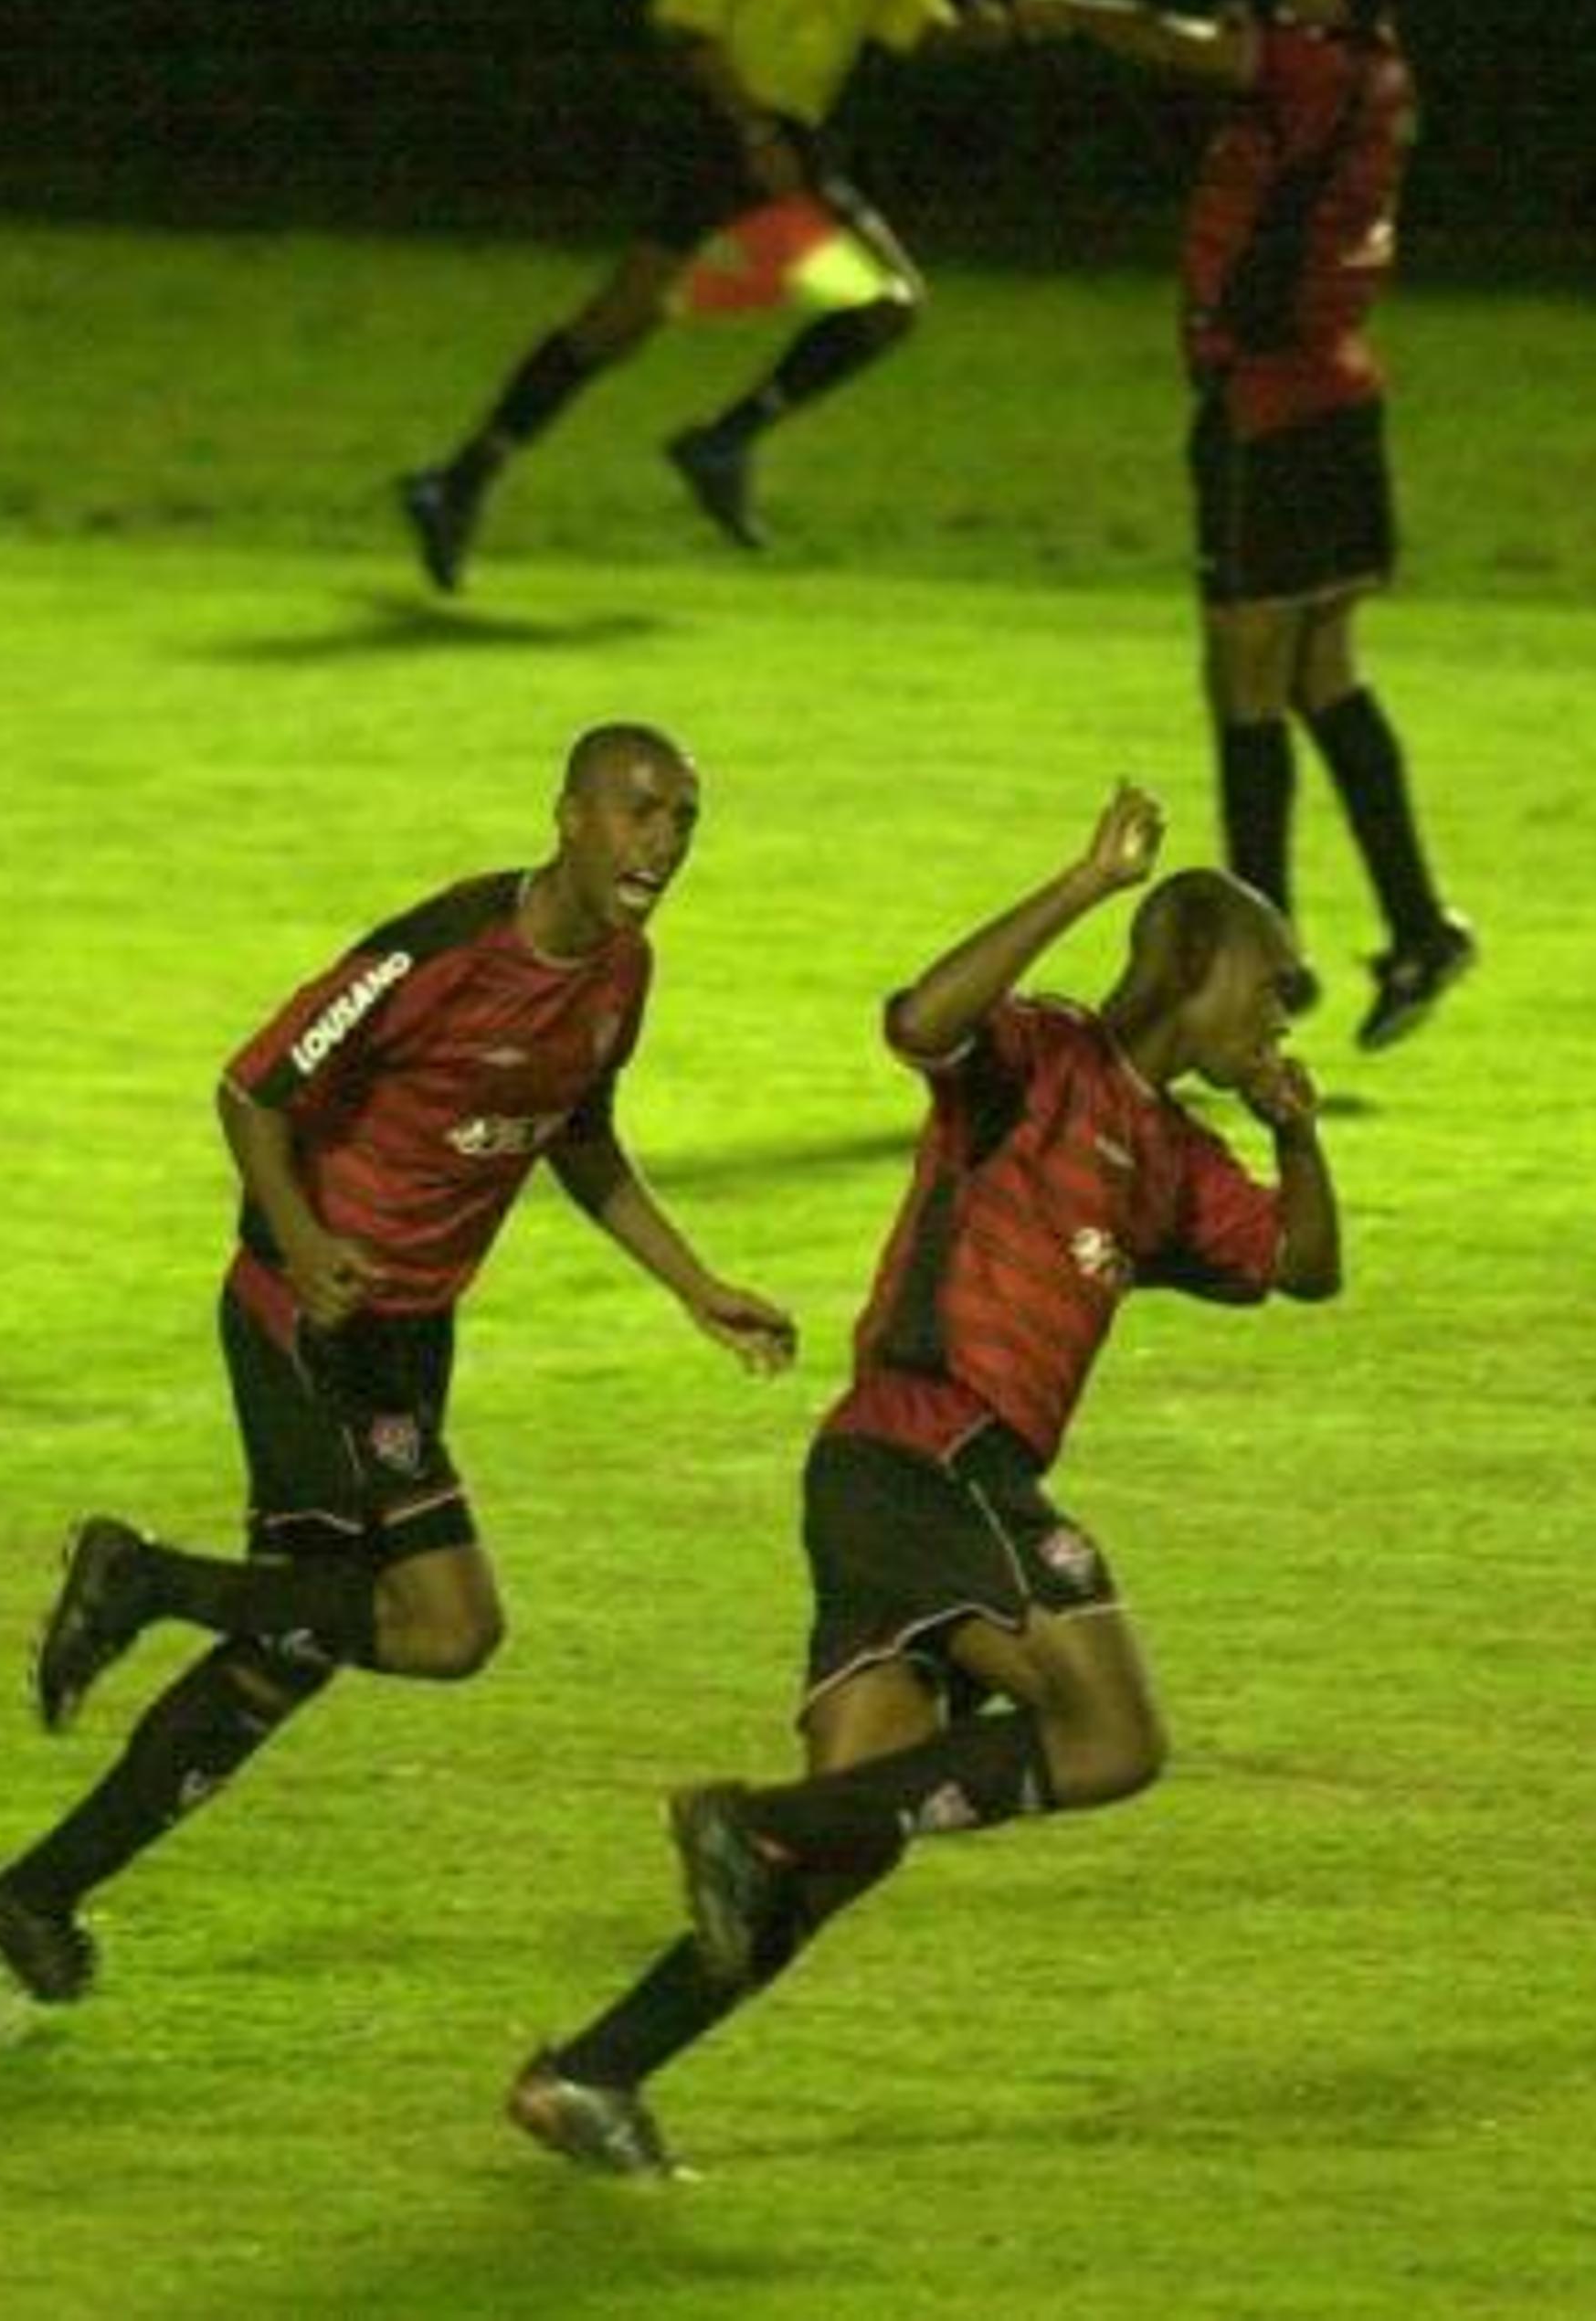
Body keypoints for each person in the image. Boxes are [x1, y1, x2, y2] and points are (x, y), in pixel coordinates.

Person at [508, 782, 1339, 2179]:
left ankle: (592, 2072)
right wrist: (1081, 886)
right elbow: (917, 1021)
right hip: (928, 1450)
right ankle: (745, 1821)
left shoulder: (1179, 1160)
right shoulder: (1040, 1062)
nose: (1279, 1018)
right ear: (1187, 968)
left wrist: (1297, 1128)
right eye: (1268, 992)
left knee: (851, 1838)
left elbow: (1302, 1270)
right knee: (1111, 1739)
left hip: (907, 1479)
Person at [0, 723, 798, 2004]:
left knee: (290, 1645)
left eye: (684, 818)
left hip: (412, 1332)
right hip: (315, 1325)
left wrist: (695, 1287)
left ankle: (37, 1891)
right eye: (640, 812)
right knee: (450, 1627)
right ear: (569, 815)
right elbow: (250, 1092)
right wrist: (302, 1245)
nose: (664, 844)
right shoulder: (442, 953)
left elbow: (579, 1136)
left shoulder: (622, 973)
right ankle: (145, 1581)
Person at [1015, 0, 1473, 1049]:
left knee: (1245, 674)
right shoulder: (1376, 61)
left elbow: (1183, 47)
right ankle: (1418, 928)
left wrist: (1069, 10)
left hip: (1269, 407)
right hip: (1340, 394)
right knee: (1321, 672)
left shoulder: (1307, 60)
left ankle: (1267, 965)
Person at [399, 0, 1013, 578]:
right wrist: (755, 131)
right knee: (627, 323)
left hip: (785, 142)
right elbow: (685, 28)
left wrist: (986, 27)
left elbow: (922, 30)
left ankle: (461, 481)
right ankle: (713, 444)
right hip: (724, 129)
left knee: (621, 323)